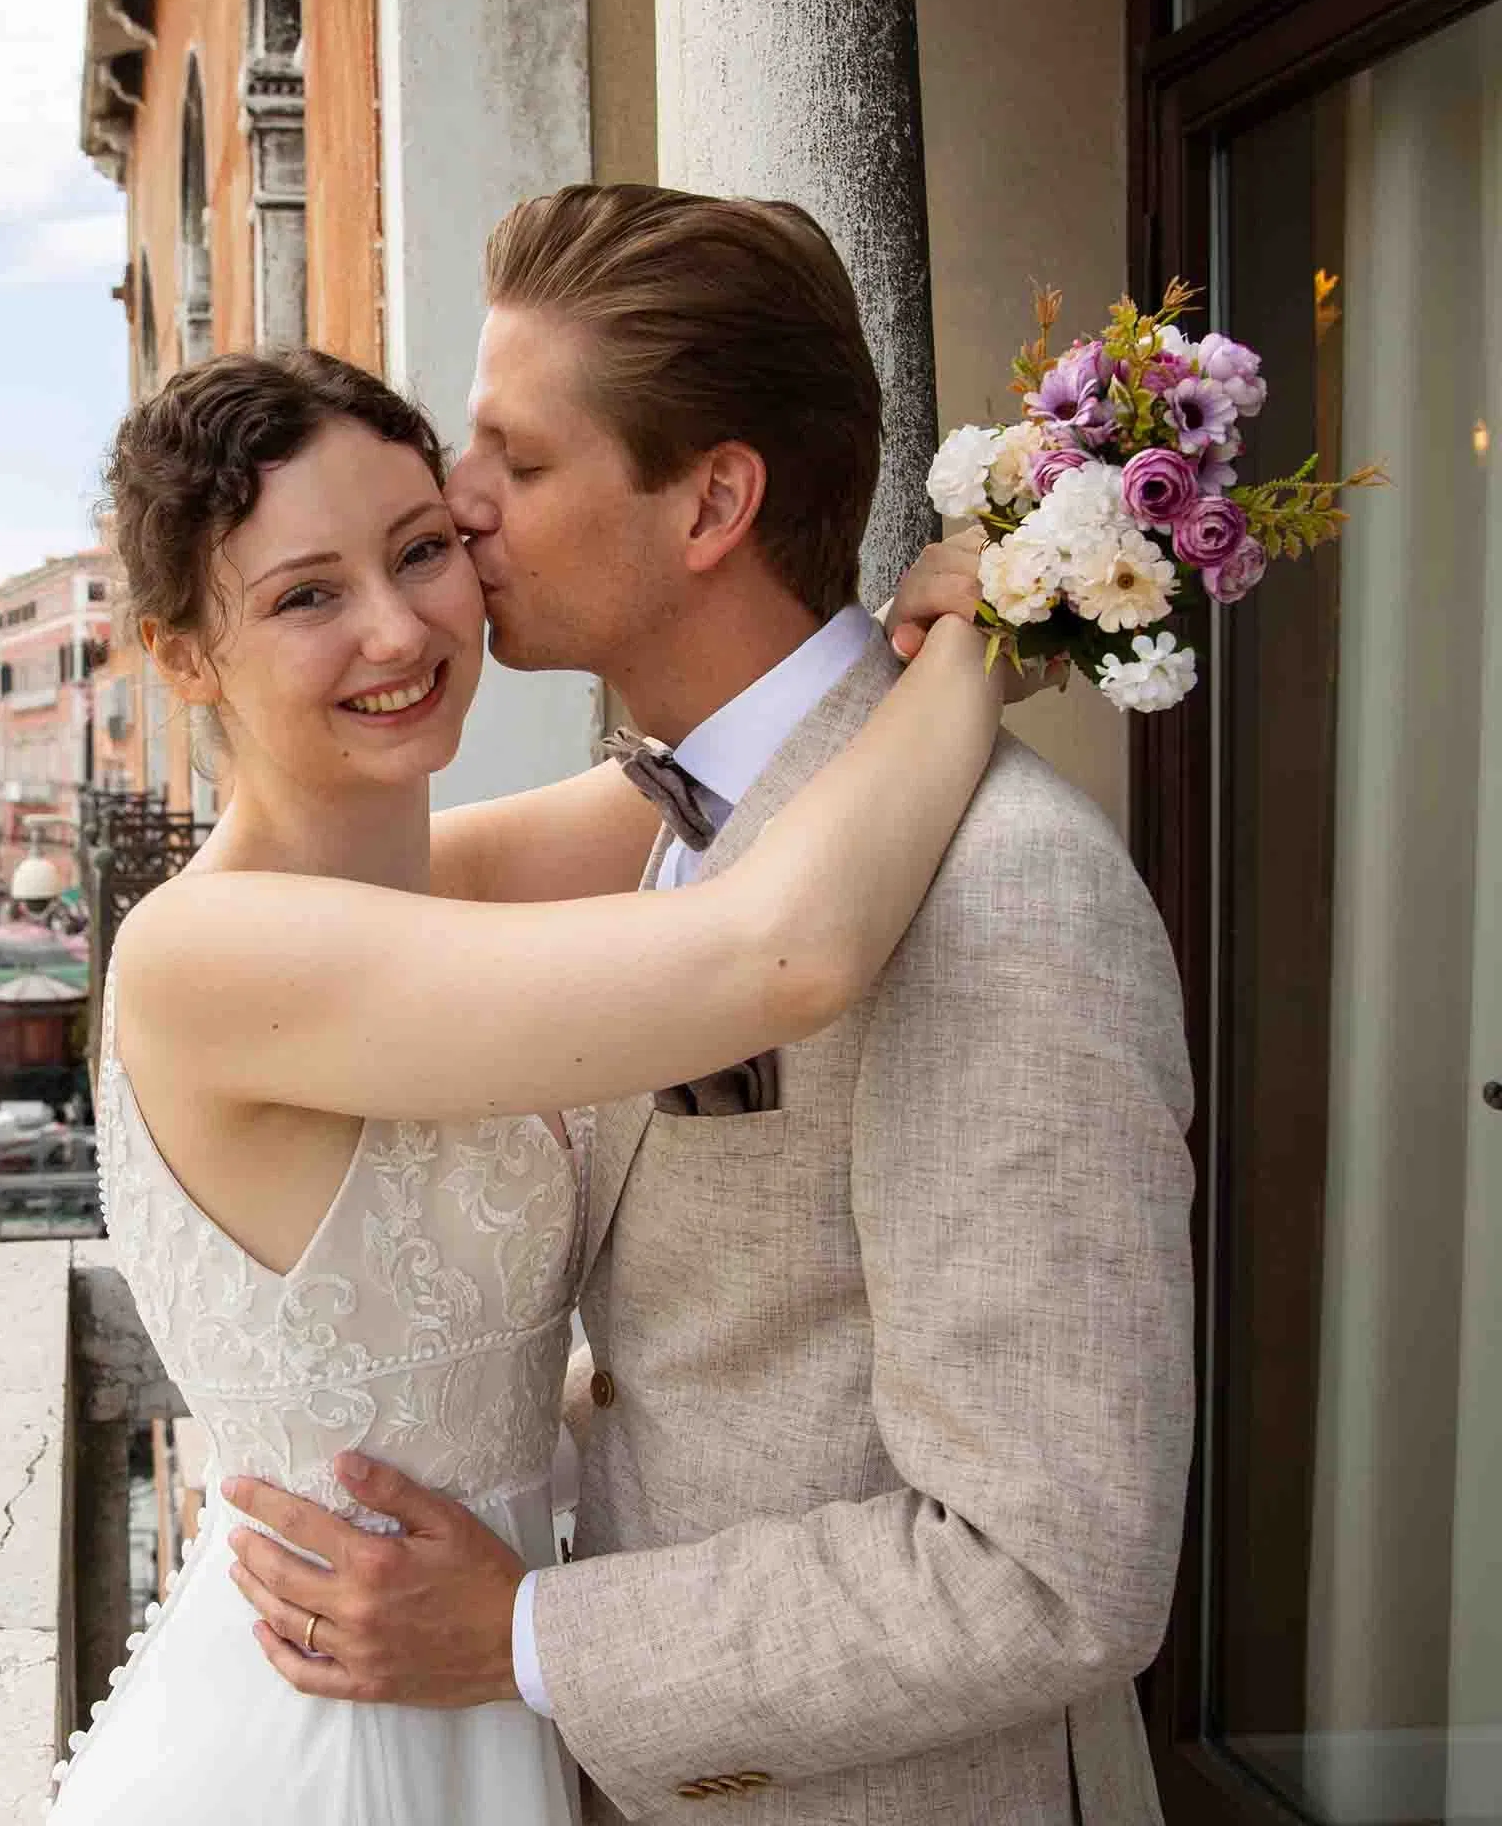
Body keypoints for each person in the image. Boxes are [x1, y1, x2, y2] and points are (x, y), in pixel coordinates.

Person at [224, 186, 1196, 1825]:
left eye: (517, 463)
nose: (460, 510)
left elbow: (1053, 1573)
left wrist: (527, 1634)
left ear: (711, 506)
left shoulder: (1003, 897)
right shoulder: (673, 825)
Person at [45, 341, 1003, 1825]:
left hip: (482, 1677)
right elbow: (788, 952)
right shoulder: (207, 956)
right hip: (334, 1745)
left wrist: (937, 613)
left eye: (421, 552)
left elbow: (762, 761)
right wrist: (988, 643)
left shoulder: (459, 875)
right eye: (307, 595)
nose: (398, 629)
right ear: (182, 658)